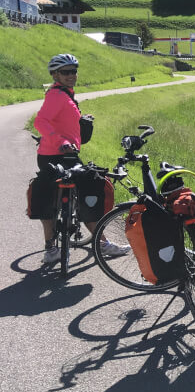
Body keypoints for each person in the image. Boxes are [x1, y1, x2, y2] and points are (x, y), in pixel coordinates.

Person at [33, 54, 131, 264]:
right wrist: (58, 140)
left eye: (73, 71)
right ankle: (96, 244)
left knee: (74, 195)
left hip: (68, 153)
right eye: (66, 72)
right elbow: (40, 121)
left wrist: (81, 121)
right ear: (55, 74)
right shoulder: (56, 95)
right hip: (54, 154)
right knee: (58, 199)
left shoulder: (65, 95)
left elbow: (61, 120)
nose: (71, 75)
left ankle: (93, 244)